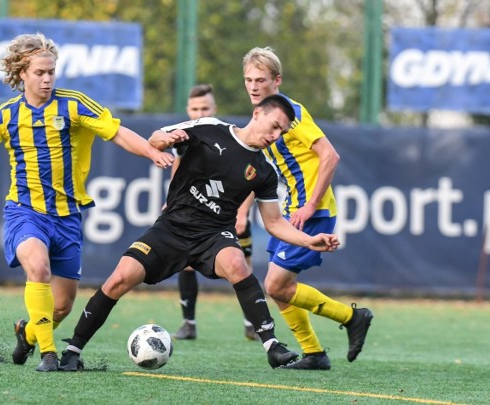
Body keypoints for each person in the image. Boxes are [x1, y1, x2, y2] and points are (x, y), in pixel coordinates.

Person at [0, 33, 174, 372]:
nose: (46, 79)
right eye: (39, 72)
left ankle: (26, 333)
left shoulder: (74, 104)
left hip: (67, 217)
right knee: (38, 268)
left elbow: (115, 132)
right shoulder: (5, 116)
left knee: (61, 306)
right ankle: (47, 354)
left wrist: (150, 152)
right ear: (22, 74)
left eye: (51, 72)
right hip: (24, 212)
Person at [59, 94, 341, 372]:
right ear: (257, 114)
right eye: (274, 125)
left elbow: (274, 223)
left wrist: (309, 240)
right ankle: (73, 350)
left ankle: (272, 346)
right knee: (118, 280)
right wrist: (167, 140)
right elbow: (156, 138)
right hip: (171, 227)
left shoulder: (264, 171)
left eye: (282, 131)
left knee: (236, 263)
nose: (276, 135)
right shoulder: (209, 128)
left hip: (214, 235)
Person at [242, 47, 373, 370]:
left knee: (275, 285)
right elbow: (256, 166)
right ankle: (314, 353)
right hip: (292, 211)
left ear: (277, 80)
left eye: (261, 79)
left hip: (310, 212)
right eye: (248, 79)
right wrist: (241, 209)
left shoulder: (293, 114)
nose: (253, 86)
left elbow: (330, 155)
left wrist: (311, 204)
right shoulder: (262, 115)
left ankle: (352, 317)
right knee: (279, 288)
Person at [172, 84, 259, 341]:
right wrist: (172, 201)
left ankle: (251, 324)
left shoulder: (229, 136)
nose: (199, 113)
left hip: (230, 213)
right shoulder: (183, 137)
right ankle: (189, 323)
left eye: (205, 108)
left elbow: (253, 176)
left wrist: (243, 213)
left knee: (243, 266)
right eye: (195, 109)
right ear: (188, 110)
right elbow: (178, 167)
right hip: (196, 214)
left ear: (215, 109)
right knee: (186, 263)